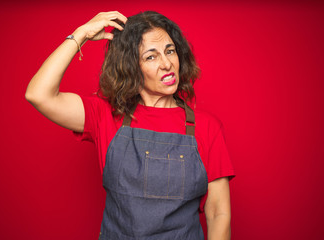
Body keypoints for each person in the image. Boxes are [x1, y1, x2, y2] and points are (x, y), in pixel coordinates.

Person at [26, 11, 235, 240]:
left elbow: (218, 212)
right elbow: (39, 94)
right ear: (131, 67)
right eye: (151, 57)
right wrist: (81, 34)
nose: (167, 64)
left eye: (170, 51)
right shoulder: (105, 115)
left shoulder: (206, 127)